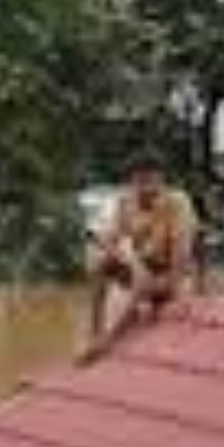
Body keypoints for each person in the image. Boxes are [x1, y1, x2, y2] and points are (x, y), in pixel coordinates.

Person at [81, 151, 199, 362]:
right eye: (138, 181)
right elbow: (108, 240)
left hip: (173, 279)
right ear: (132, 181)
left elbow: (181, 260)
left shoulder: (178, 203)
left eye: (150, 181)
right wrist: (131, 262)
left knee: (141, 280)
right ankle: (94, 332)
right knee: (98, 262)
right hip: (142, 271)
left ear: (161, 180)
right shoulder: (125, 200)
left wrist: (160, 282)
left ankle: (108, 342)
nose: (144, 188)